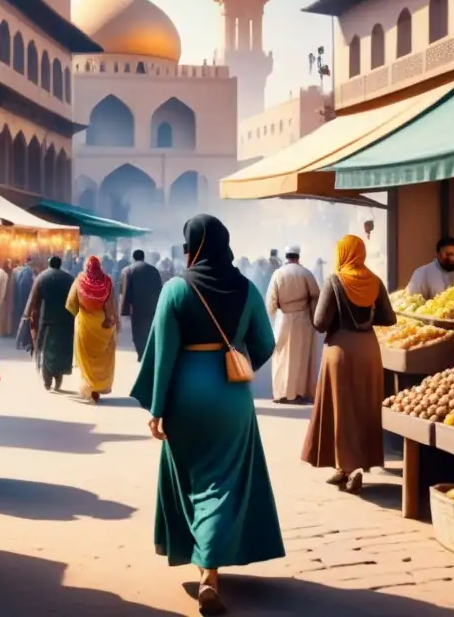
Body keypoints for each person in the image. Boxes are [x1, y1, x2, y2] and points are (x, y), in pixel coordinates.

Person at [130, 214, 284, 614]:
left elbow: (162, 354)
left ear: (194, 247)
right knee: (225, 480)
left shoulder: (176, 289)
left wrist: (157, 408)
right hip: (231, 396)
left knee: (193, 479)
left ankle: (208, 571)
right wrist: (233, 353)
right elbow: (265, 344)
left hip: (185, 394)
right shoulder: (247, 288)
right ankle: (212, 559)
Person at [302, 234, 394, 494]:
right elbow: (389, 318)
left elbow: (319, 322)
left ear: (342, 254)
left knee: (342, 410)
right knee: (365, 408)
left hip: (340, 351)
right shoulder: (374, 281)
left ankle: (347, 467)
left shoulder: (334, 281)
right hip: (368, 351)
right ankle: (357, 466)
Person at [266, 245, 321, 404]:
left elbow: (271, 300)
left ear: (286, 256)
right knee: (300, 356)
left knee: (281, 355)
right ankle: (300, 392)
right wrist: (314, 317)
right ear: (298, 257)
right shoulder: (305, 273)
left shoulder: (278, 273)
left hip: (283, 319)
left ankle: (281, 393)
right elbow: (316, 296)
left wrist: (273, 313)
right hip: (303, 320)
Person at [67, 256, 118, 403]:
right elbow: (111, 305)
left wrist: (81, 310)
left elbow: (71, 303)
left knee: (86, 358)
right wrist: (111, 320)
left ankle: (88, 387)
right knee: (102, 359)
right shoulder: (107, 281)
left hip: (84, 325)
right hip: (103, 325)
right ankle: (98, 388)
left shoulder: (80, 281)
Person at [25, 256, 76, 392]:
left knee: (46, 350)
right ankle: (58, 378)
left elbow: (34, 300)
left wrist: (28, 315)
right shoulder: (70, 278)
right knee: (62, 351)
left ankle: (47, 381)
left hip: (46, 320)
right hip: (66, 320)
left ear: (49, 264)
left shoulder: (42, 277)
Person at [119, 249, 163, 363]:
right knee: (149, 329)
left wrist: (125, 309)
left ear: (133, 257)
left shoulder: (128, 270)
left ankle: (140, 353)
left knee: (137, 331)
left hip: (136, 307)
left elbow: (125, 290)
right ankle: (148, 353)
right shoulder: (153, 270)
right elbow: (159, 288)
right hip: (151, 306)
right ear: (144, 257)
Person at [0, 259, 15, 337]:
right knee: (1, 315)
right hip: (2, 298)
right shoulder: (4, 274)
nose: (11, 266)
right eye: (10, 264)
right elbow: (4, 289)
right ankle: (1, 331)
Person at [12, 255, 35, 333]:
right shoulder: (28, 271)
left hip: (20, 295)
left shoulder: (24, 270)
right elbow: (24, 283)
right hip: (24, 295)